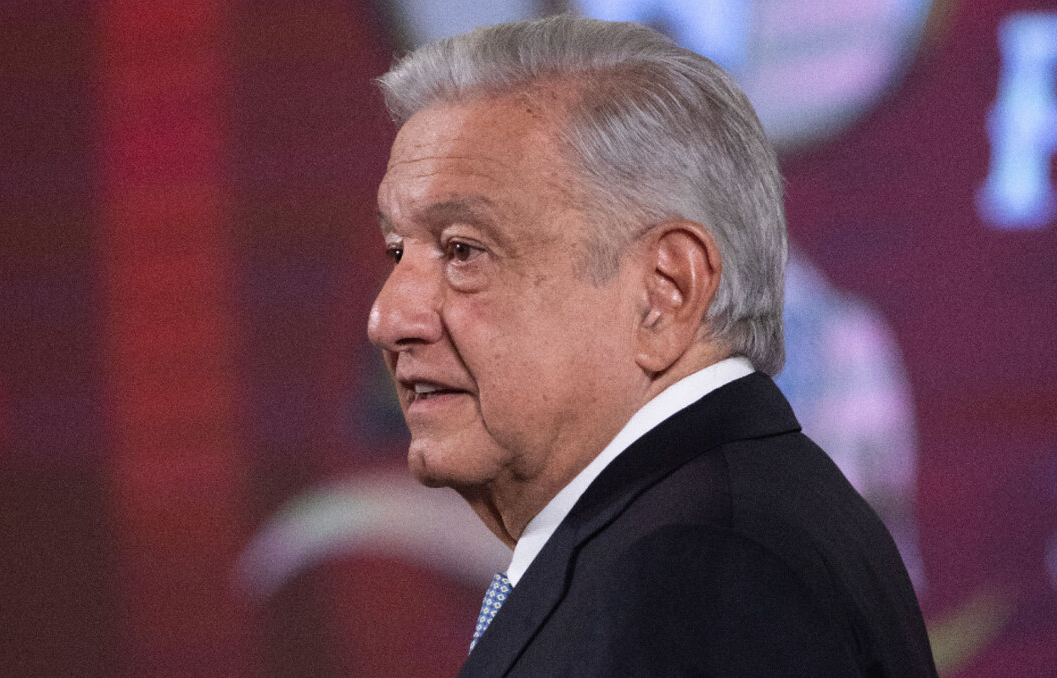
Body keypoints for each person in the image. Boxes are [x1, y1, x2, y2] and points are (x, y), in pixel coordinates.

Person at [366, 15, 937, 678]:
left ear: (666, 290)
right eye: (398, 251)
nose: (388, 317)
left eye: (464, 250)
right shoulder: (687, 532)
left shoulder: (702, 571)